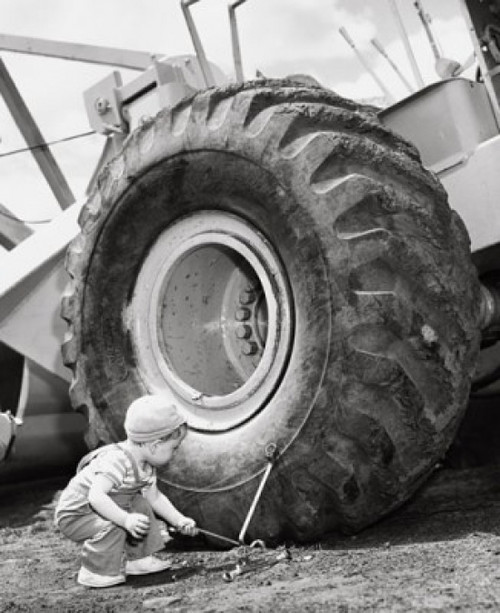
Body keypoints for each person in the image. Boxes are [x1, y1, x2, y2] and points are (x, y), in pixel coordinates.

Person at [54, 393, 198, 588]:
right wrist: (125, 519)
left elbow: (154, 498)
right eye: (174, 447)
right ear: (155, 446)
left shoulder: (146, 467)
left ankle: (139, 560)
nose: (175, 453)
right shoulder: (117, 461)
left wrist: (179, 520)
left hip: (104, 506)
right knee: (115, 522)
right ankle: (95, 571)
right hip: (77, 514)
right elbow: (96, 497)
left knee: (140, 503)